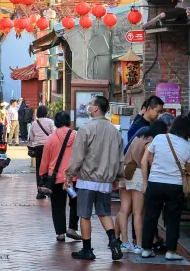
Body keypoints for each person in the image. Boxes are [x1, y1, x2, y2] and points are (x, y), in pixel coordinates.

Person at [65, 96, 125, 261]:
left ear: (96, 108)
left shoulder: (86, 129)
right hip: (105, 181)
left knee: (84, 215)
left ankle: (87, 250)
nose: (88, 107)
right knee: (104, 213)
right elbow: (121, 158)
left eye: (90, 104)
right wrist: (117, 178)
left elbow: (77, 157)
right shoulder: (115, 131)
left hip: (87, 179)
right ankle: (113, 241)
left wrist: (69, 174)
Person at [141, 116, 190, 260]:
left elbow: (149, 158)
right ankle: (171, 252)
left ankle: (146, 249)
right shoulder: (188, 146)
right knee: (173, 220)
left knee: (150, 216)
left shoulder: (158, 138)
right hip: (175, 186)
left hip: (155, 183)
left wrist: (159, 168)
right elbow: (187, 169)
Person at [115, 121, 168, 255]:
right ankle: (139, 244)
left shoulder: (139, 136)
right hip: (138, 174)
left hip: (126, 171)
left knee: (124, 210)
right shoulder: (150, 141)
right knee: (138, 212)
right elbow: (148, 160)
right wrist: (146, 182)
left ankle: (125, 242)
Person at [39, 111, 81, 242]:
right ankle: (72, 229)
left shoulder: (51, 138)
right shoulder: (77, 136)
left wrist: (42, 174)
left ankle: (60, 233)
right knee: (76, 203)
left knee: (58, 205)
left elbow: (45, 159)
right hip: (74, 177)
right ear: (69, 121)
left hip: (56, 177)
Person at [30, 105, 56, 199]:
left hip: (38, 148)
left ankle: (40, 191)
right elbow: (54, 134)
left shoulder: (34, 123)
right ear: (46, 113)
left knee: (39, 169)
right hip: (48, 147)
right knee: (50, 168)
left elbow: (32, 137)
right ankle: (49, 189)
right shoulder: (50, 122)